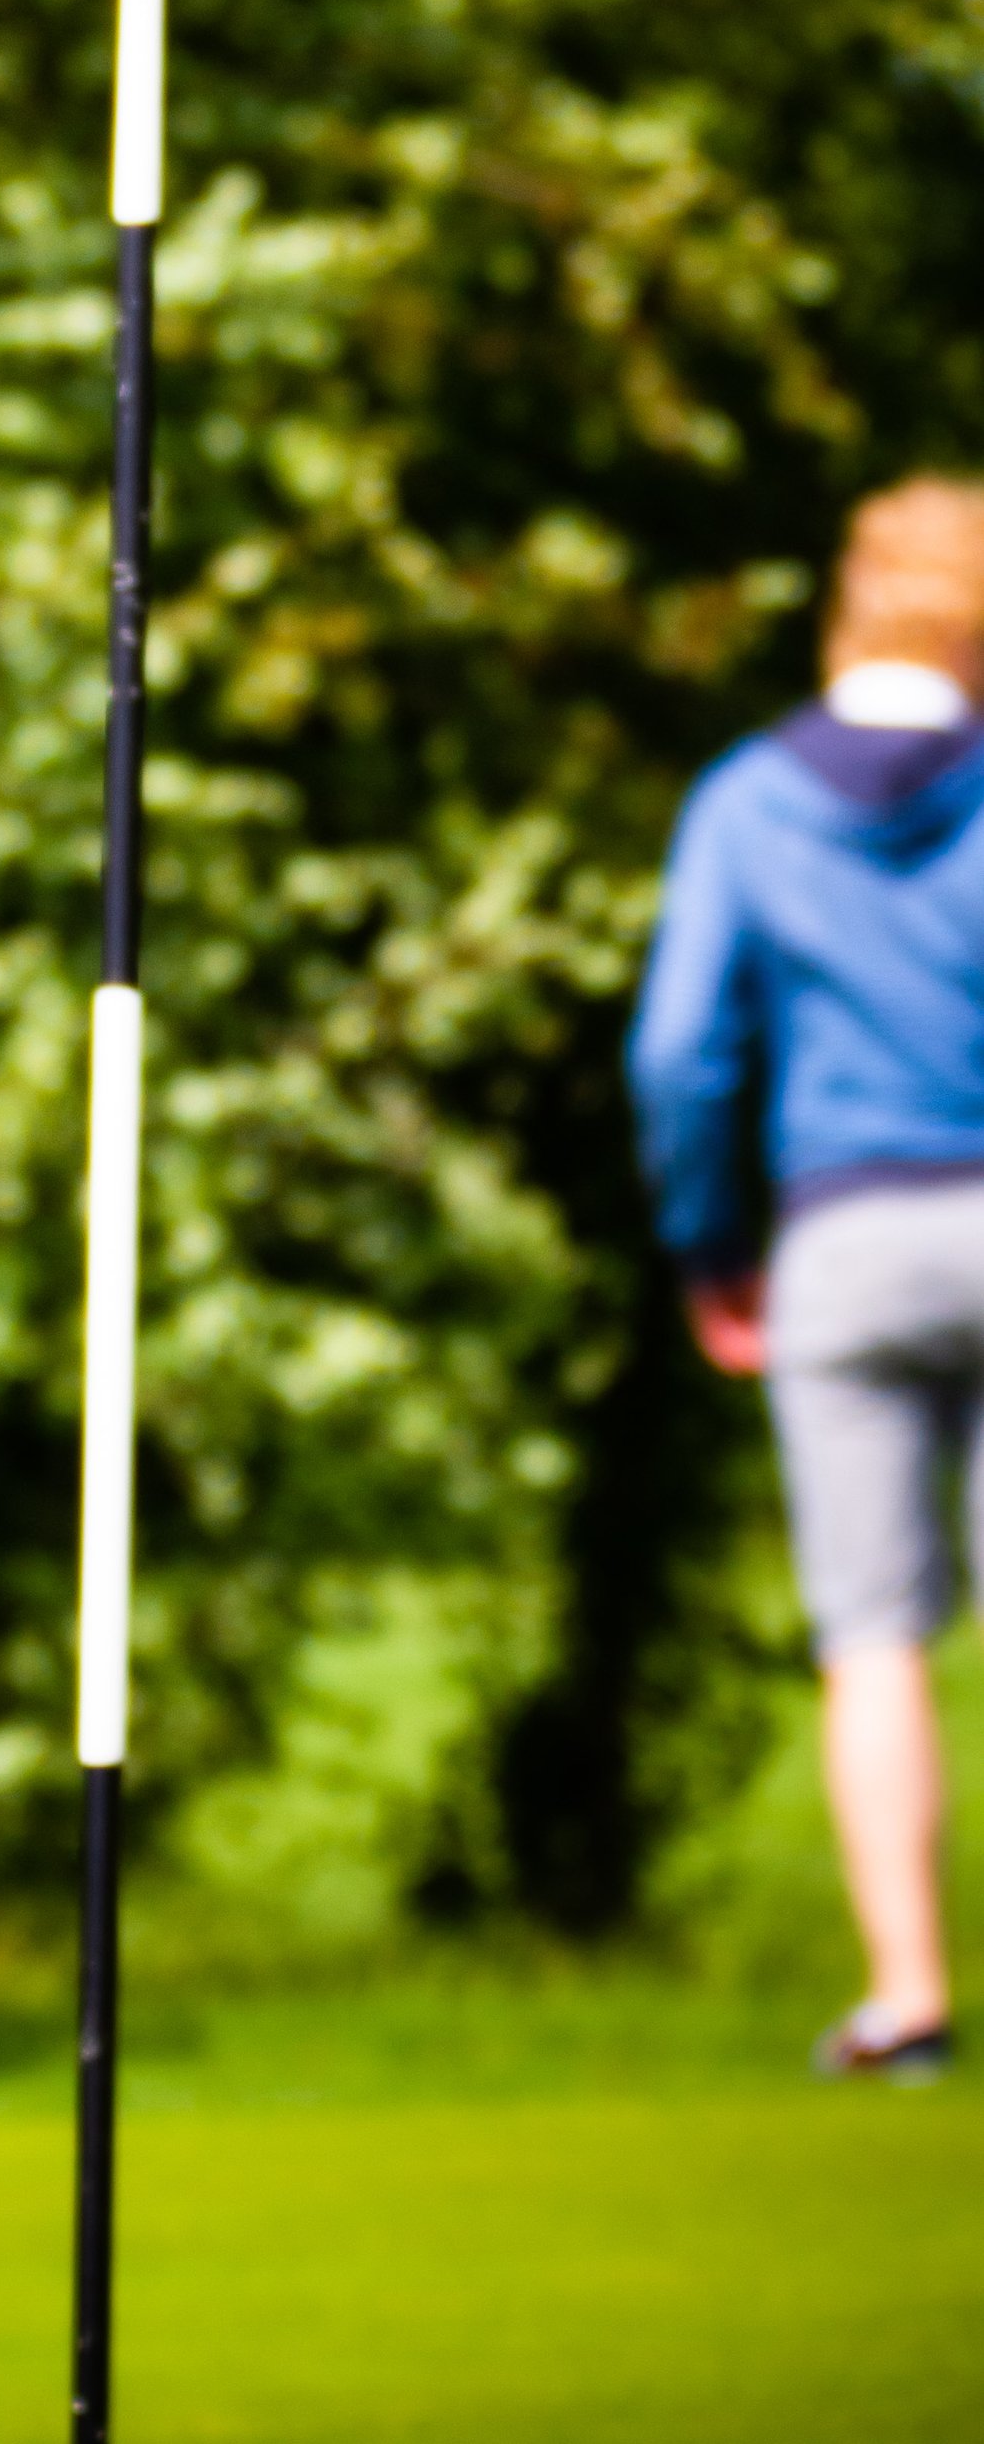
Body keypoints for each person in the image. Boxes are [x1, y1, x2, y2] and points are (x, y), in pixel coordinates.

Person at [631, 474, 984, 2081]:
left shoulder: (749, 801)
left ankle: (908, 1993)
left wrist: (715, 1246)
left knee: (870, 1632)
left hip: (840, 1236)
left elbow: (683, 1050)